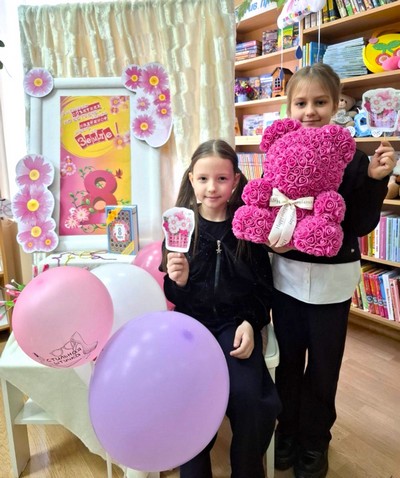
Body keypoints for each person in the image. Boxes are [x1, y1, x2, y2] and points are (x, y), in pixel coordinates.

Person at [269, 63, 396, 478]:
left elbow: (360, 224)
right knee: (288, 363)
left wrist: (375, 180)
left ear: (337, 104)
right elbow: (269, 210)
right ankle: (286, 431)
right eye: (301, 103)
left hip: (332, 285)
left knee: (324, 368)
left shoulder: (353, 159)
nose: (310, 111)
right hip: (286, 279)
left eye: (320, 102)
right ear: (289, 107)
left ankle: (315, 440)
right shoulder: (279, 153)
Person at [160, 139, 281, 478]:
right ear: (191, 179)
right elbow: (174, 295)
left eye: (222, 179)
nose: (212, 188)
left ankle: (246, 468)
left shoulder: (247, 229)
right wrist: (178, 281)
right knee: (188, 398)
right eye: (203, 179)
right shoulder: (181, 228)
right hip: (191, 328)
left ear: (236, 181)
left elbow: (264, 290)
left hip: (234, 324)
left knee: (248, 396)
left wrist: (251, 323)